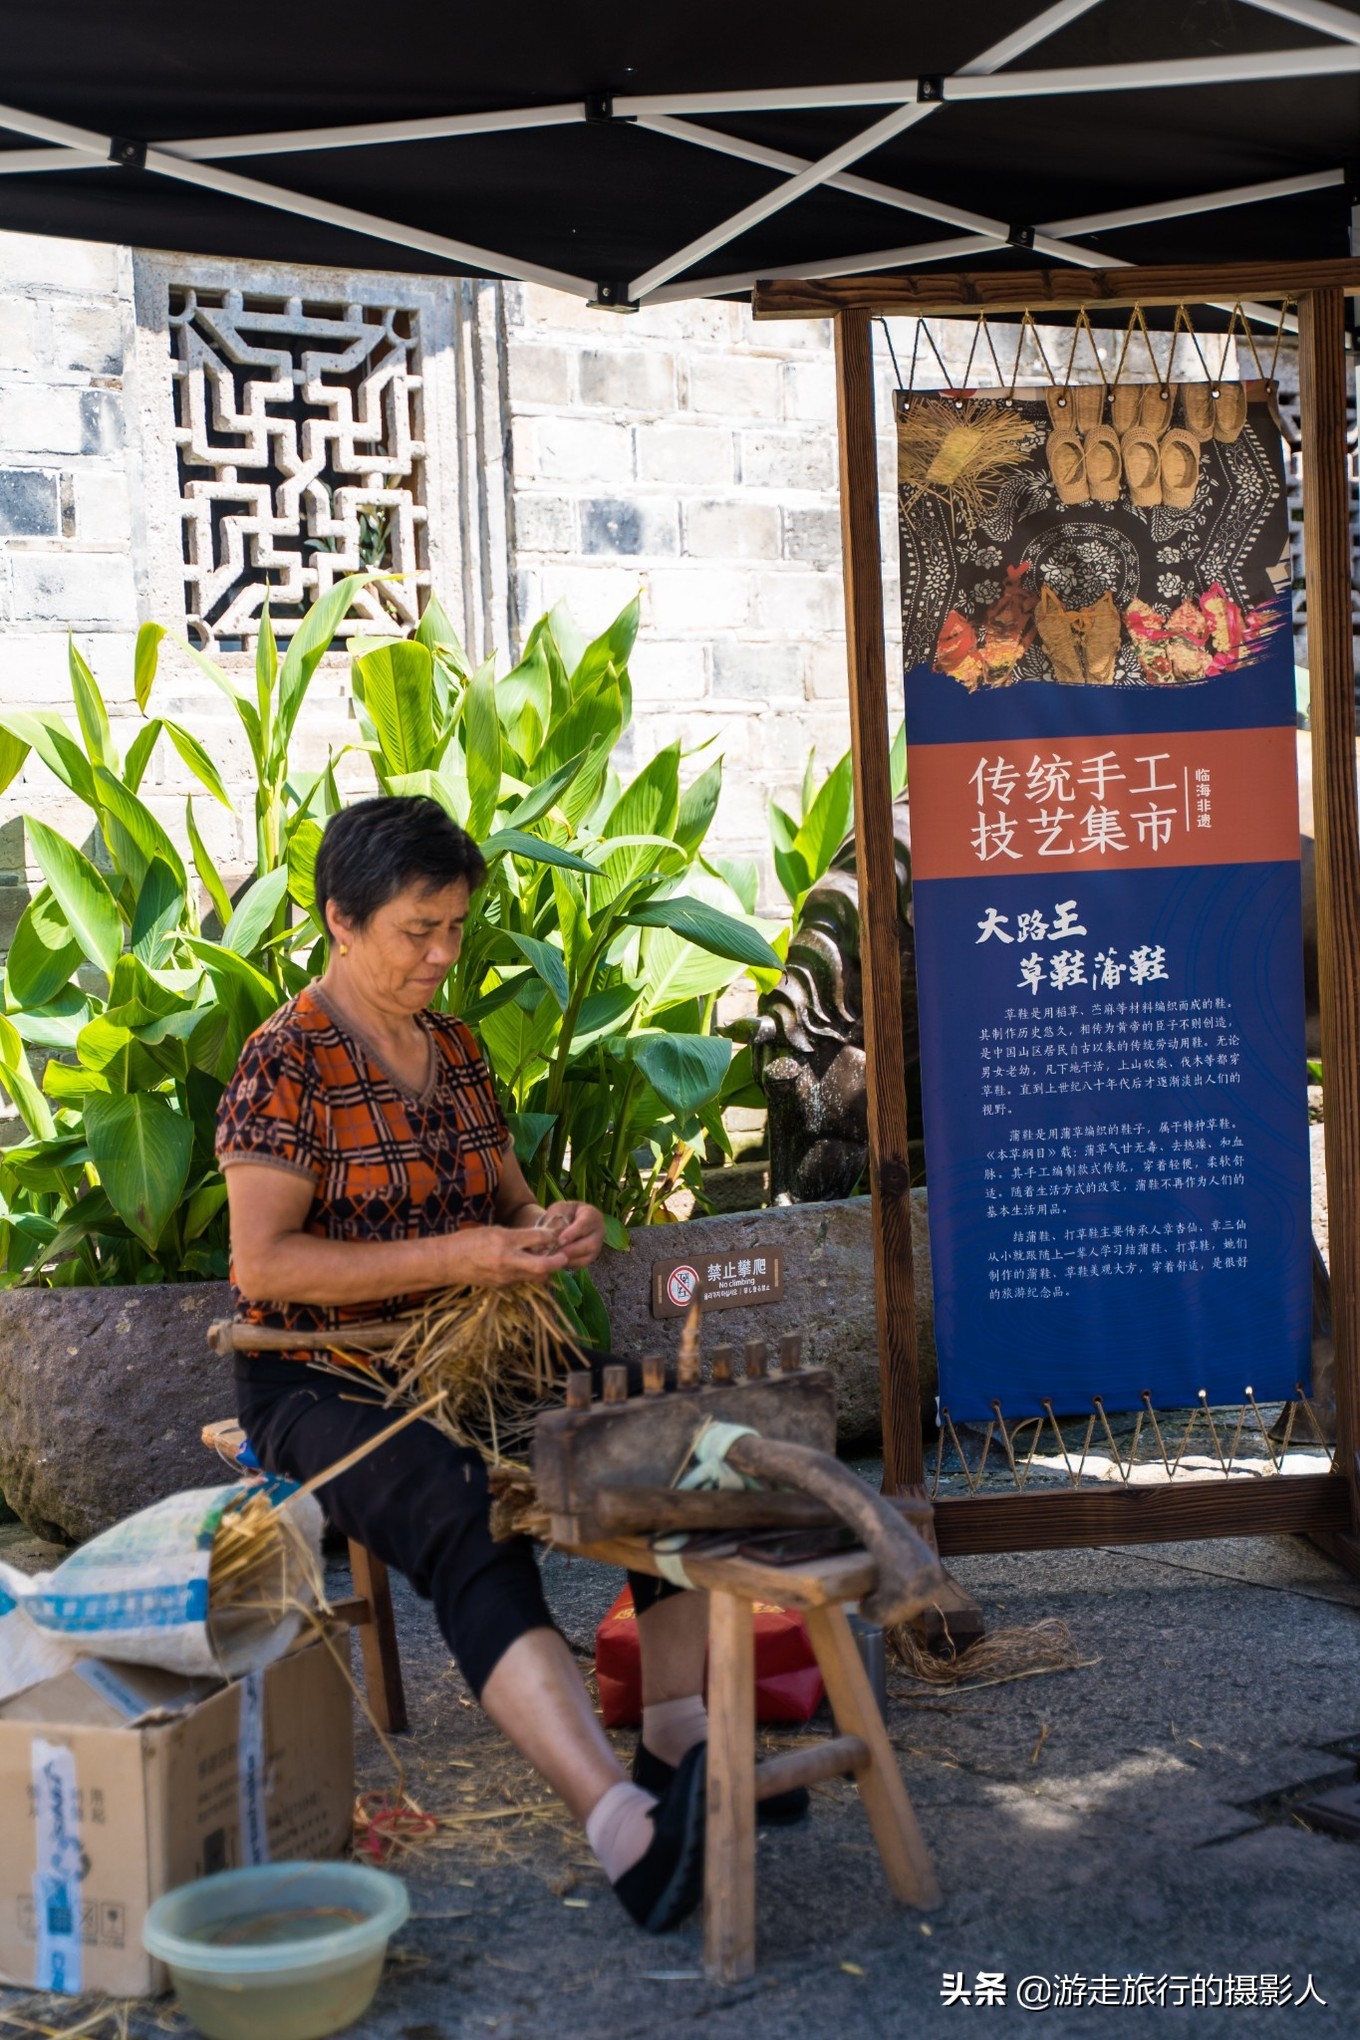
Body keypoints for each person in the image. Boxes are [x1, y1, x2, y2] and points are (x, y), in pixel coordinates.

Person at [216, 795, 717, 1930]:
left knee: (667, 1429)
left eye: (453, 928)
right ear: (341, 919)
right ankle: (621, 1828)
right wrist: (461, 1255)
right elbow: (265, 1261)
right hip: (320, 1372)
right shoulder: (284, 1062)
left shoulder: (454, 1048)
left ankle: (679, 1752)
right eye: (417, 930)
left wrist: (553, 1227)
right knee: (464, 1511)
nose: (442, 954)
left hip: (474, 1351)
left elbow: (511, 1203)